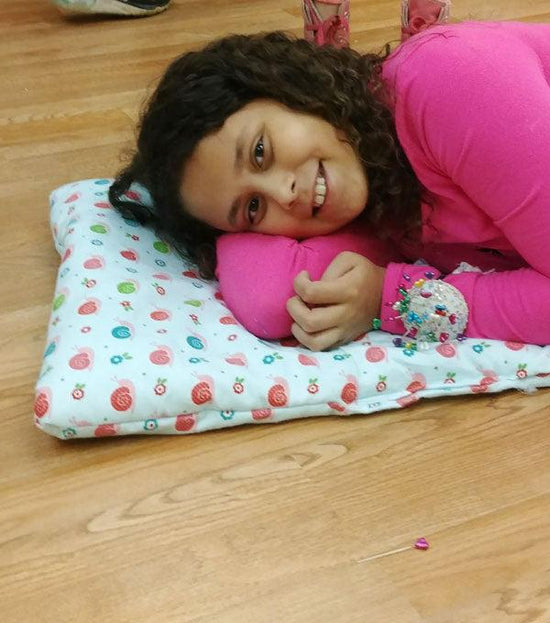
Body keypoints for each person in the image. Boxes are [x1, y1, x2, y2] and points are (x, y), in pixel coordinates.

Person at [108, 12, 550, 351]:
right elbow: (265, 299)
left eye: (261, 152)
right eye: (253, 209)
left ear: (290, 90)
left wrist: (395, 300)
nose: (285, 193)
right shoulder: (368, 186)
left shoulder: (450, 82)